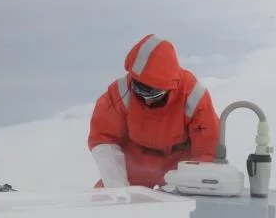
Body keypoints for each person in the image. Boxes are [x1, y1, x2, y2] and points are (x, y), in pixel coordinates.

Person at [88, 34, 221, 189]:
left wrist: (187, 186)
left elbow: (207, 151)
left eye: (153, 94)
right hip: (135, 169)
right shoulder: (119, 92)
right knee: (102, 201)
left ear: (169, 88)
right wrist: (118, 190)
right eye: (139, 90)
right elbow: (104, 140)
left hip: (179, 172)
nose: (147, 100)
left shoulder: (193, 96)